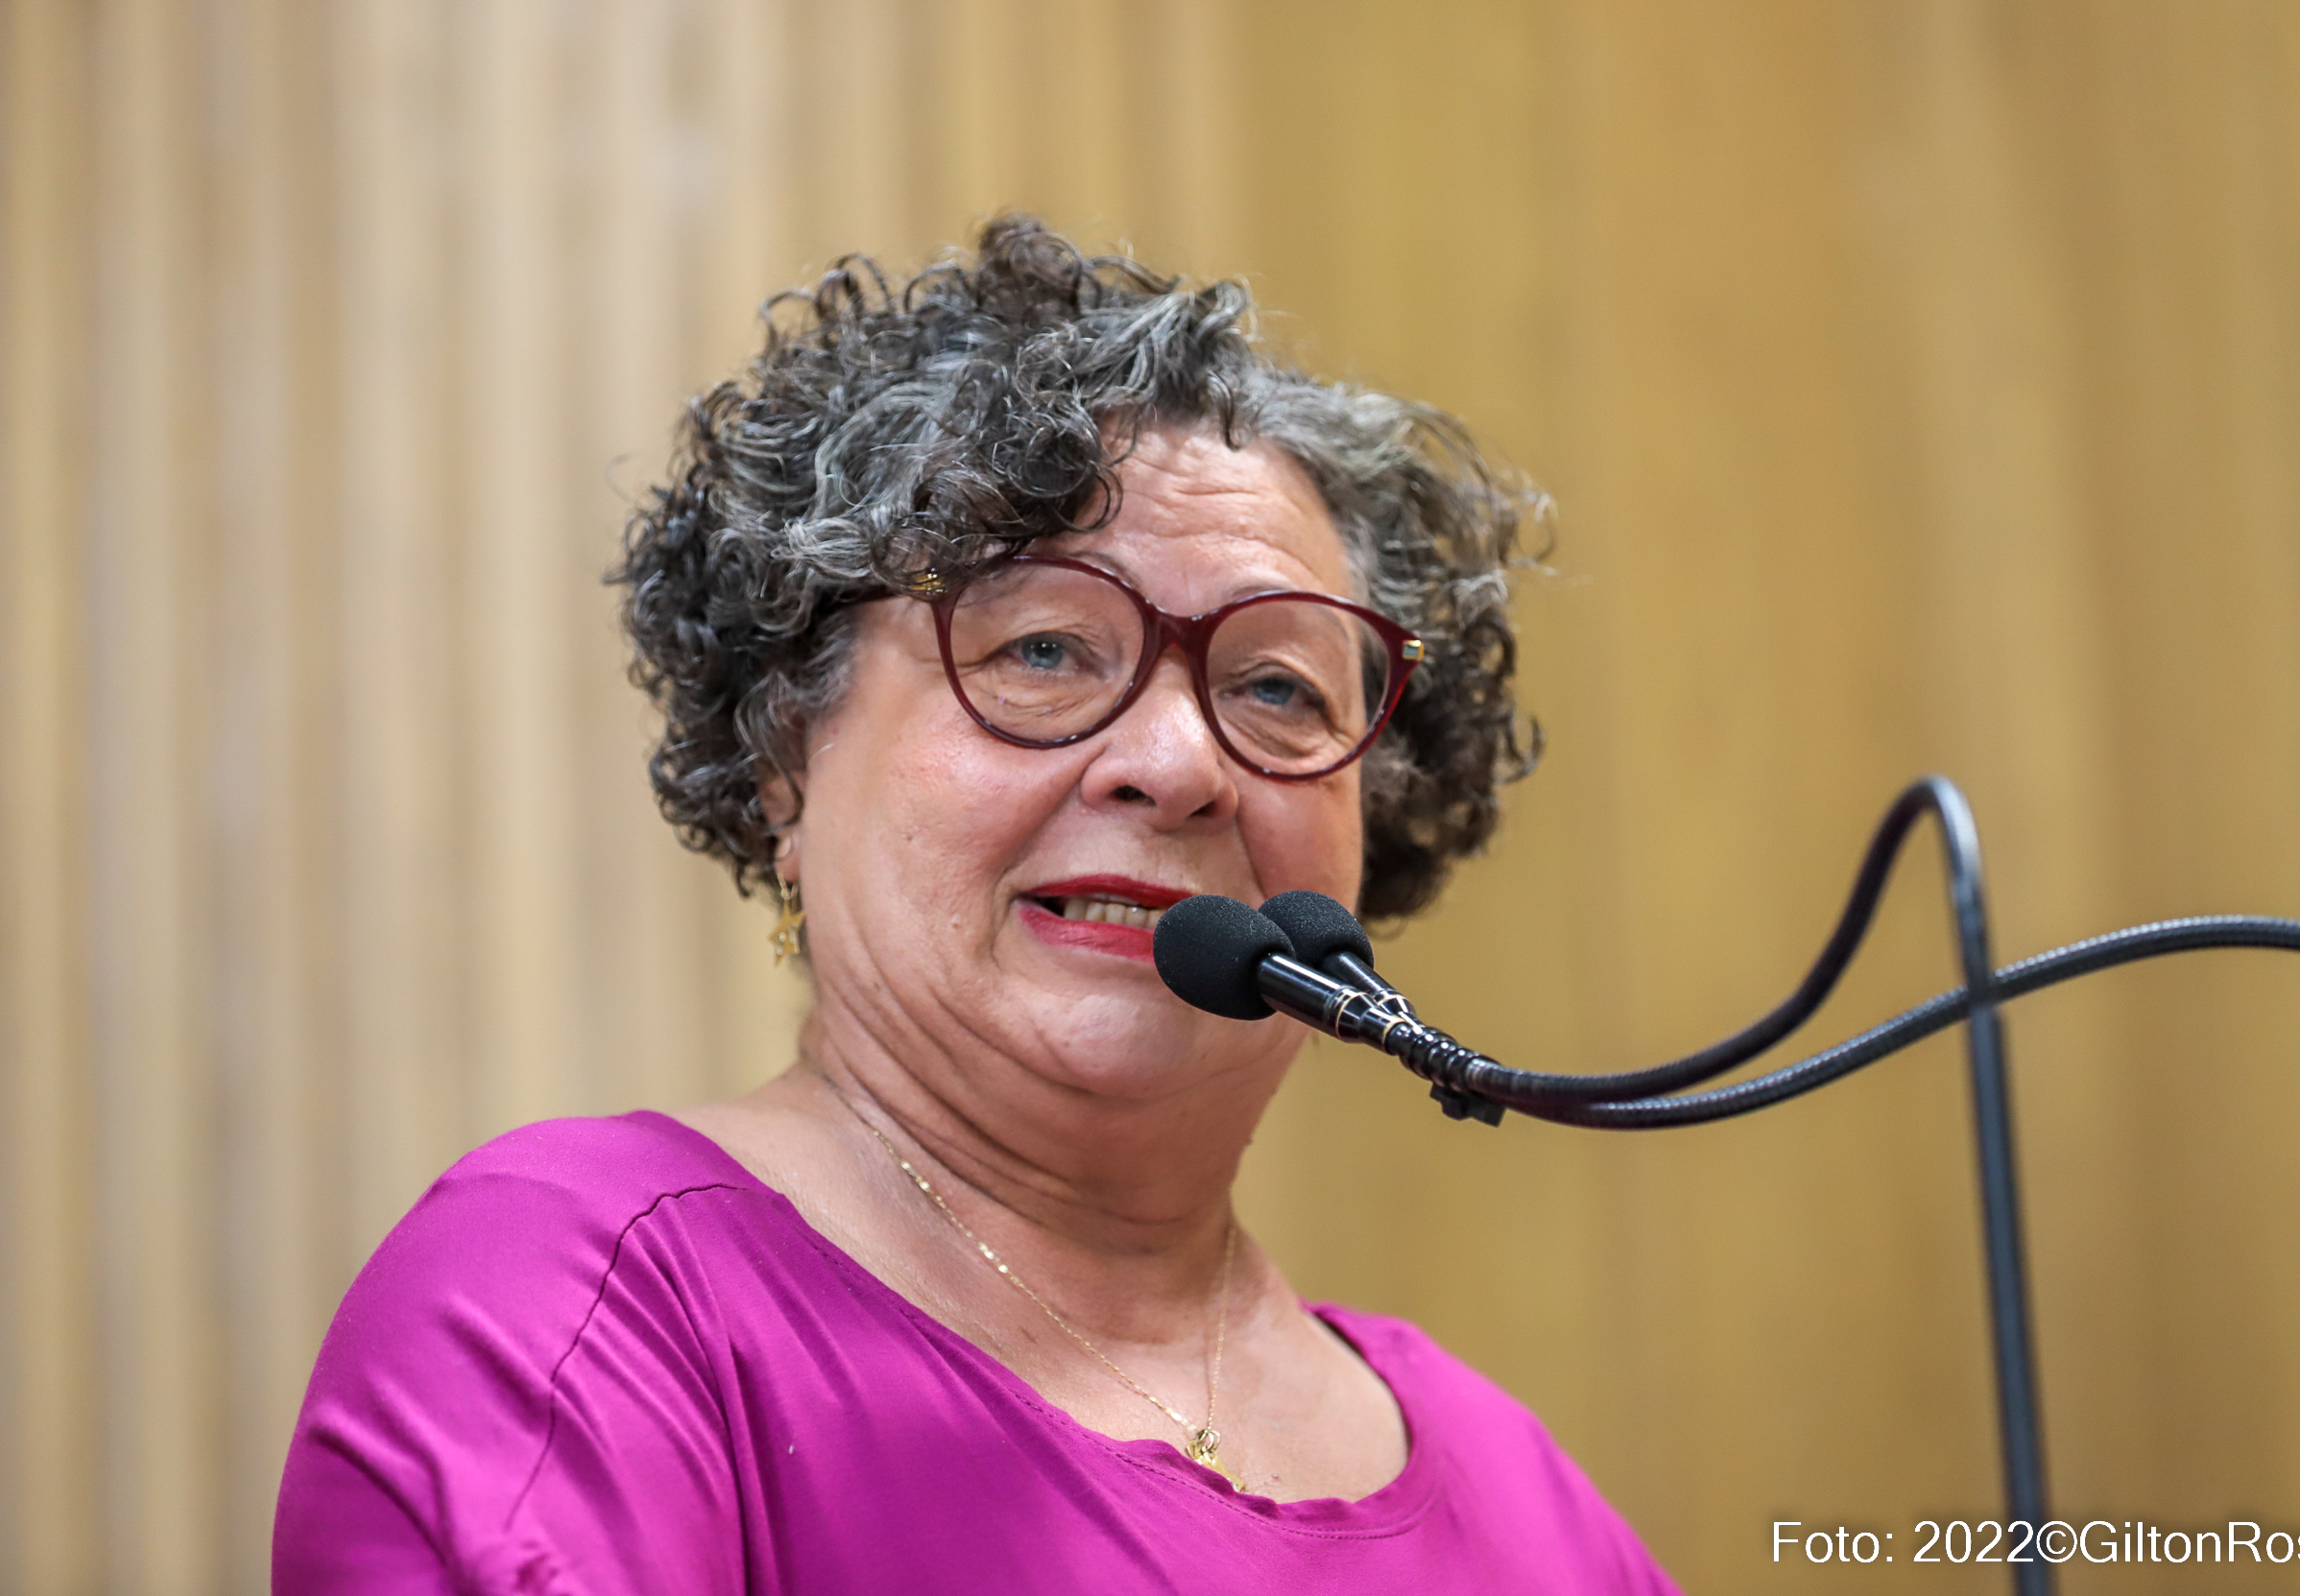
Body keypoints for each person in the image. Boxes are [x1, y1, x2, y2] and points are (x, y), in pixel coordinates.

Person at [273, 216, 1679, 1593]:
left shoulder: (1513, 1485)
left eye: (1274, 687)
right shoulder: (578, 1307)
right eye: (1046, 649)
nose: (1180, 764)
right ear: (783, 755)